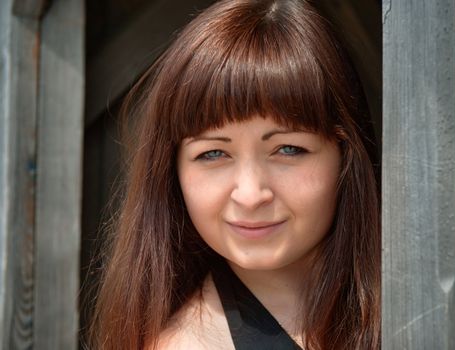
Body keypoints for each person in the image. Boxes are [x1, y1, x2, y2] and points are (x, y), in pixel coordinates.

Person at [89, 0, 380, 349]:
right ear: (172, 171)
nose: (250, 193)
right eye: (213, 153)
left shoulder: (425, 301)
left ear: (346, 155)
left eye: (288, 149)